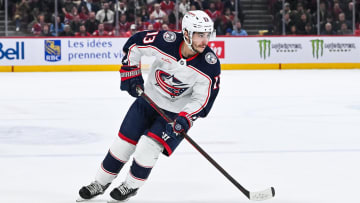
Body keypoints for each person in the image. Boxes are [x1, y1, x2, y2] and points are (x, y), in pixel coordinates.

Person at [78, 10, 221, 202]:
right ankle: (100, 182)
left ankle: (130, 186)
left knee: (147, 148)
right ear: (186, 33)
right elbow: (135, 44)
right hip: (147, 101)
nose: (205, 41)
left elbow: (203, 100)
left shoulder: (209, 65)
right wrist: (131, 72)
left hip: (173, 116)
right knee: (122, 145)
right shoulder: (166, 41)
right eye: (199, 35)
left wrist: (186, 117)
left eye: (207, 35)